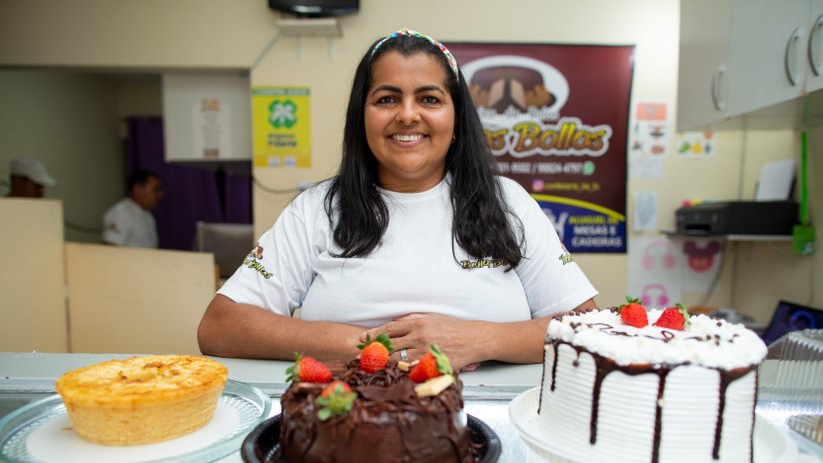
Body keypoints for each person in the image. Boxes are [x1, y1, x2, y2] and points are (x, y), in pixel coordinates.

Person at [198, 28, 597, 369]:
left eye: (429, 99)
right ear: (363, 116)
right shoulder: (316, 209)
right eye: (387, 99)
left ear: (456, 117)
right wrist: (371, 345)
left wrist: (480, 340)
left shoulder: (508, 202)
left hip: (493, 419)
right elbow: (220, 327)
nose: (407, 115)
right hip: (347, 422)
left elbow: (586, 327)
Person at [102, 169, 163, 248]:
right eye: (156, 190)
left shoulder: (147, 215)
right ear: (137, 190)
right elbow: (109, 251)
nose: (160, 195)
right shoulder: (121, 213)